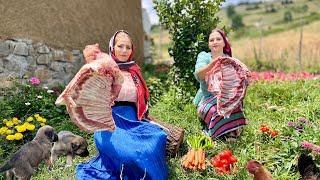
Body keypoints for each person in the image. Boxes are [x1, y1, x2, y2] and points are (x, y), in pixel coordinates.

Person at [76, 30, 168, 180]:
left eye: (128, 47)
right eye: (120, 46)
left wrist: (145, 116)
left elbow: (141, 100)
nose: (124, 50)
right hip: (109, 122)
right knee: (128, 154)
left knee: (158, 136)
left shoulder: (134, 71)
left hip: (132, 120)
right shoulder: (103, 69)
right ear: (112, 47)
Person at [193, 28, 249, 142]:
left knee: (233, 106)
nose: (215, 42)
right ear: (209, 44)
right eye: (211, 40)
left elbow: (238, 83)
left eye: (218, 39)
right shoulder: (204, 57)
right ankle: (223, 132)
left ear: (224, 42)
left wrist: (244, 78)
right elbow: (198, 75)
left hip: (227, 98)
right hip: (208, 99)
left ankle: (229, 131)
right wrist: (213, 64)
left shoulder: (229, 60)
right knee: (216, 111)